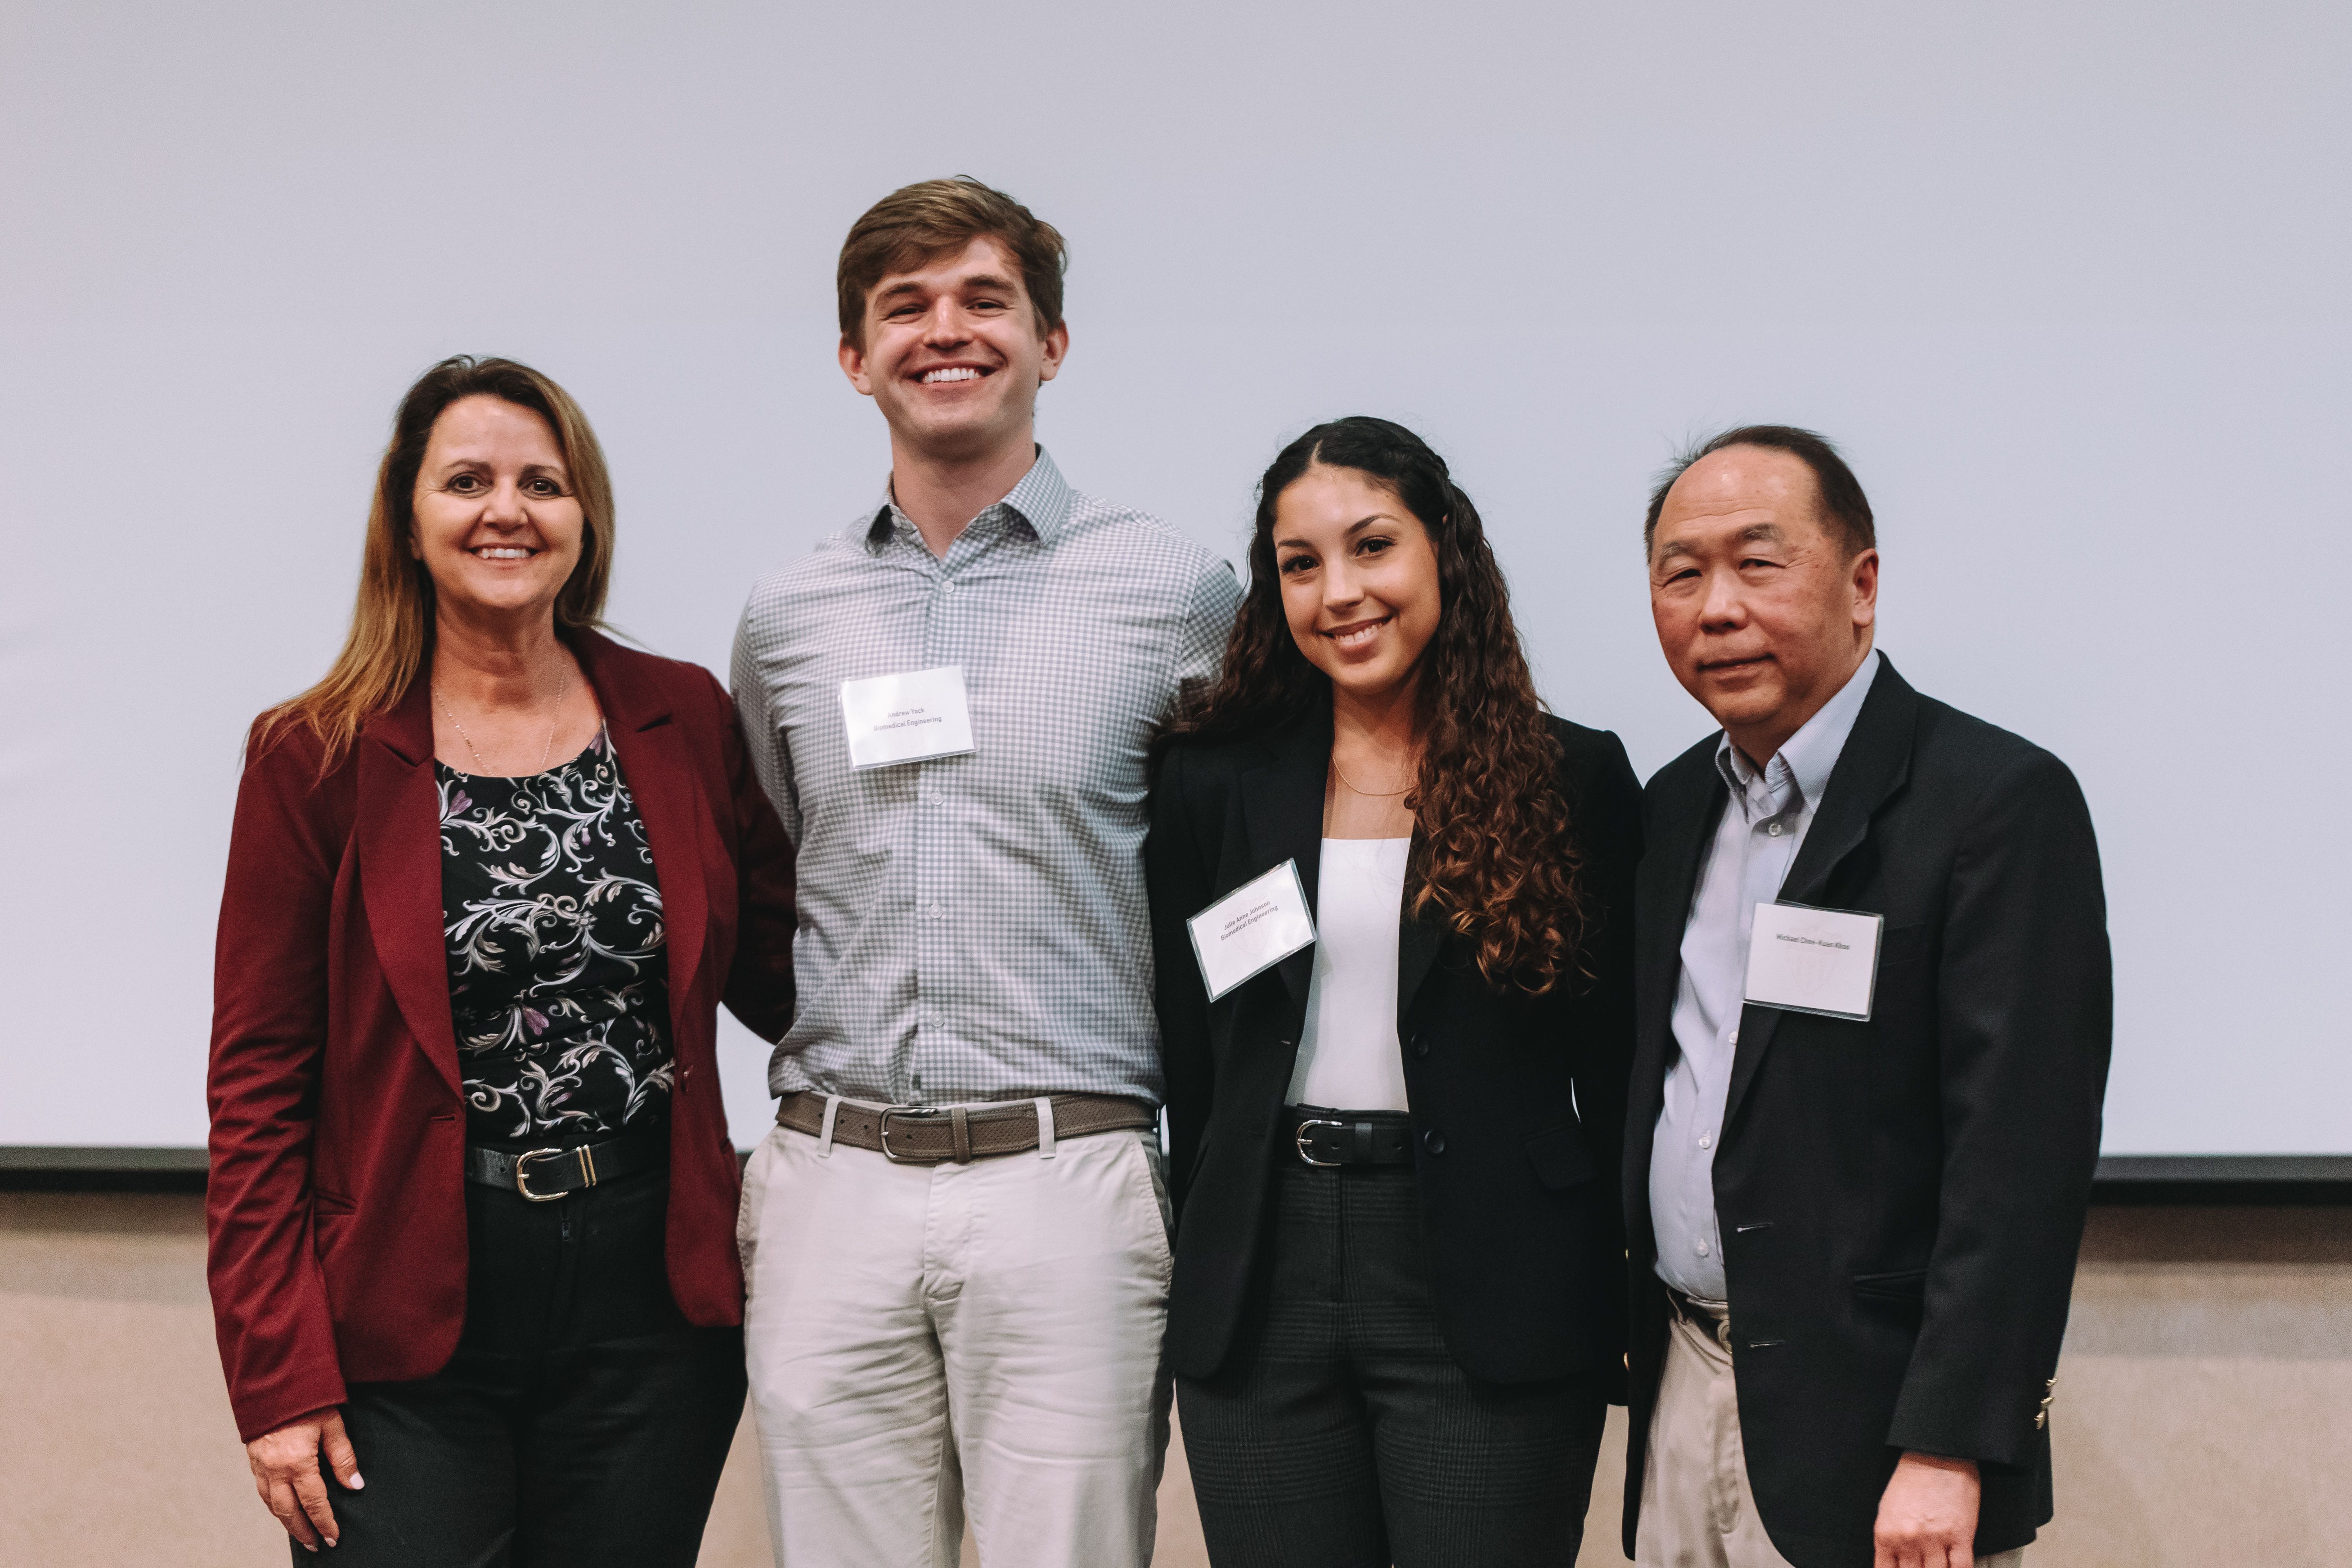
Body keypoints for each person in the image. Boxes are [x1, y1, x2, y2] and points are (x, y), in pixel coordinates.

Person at [728, 177, 1242, 1568]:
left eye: (982, 300)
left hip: (1065, 1173)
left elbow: (1239, 867)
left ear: (1050, 343)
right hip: (831, 1176)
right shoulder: (787, 617)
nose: (943, 332)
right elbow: (774, 871)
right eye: (904, 307)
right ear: (854, 358)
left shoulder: (1179, 592)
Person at [206, 355, 797, 1565]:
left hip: (652, 1308)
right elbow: (259, 1083)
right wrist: (277, 1374)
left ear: (585, 517)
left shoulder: (679, 714)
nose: (506, 509)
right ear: (407, 521)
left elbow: (793, 970)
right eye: (466, 479)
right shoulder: (314, 753)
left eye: (543, 481)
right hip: (404, 1319)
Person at [1145, 417, 1641, 1567]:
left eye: (1372, 547)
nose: (1338, 593)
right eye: (1300, 564)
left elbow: (1617, 1068)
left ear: (1443, 555)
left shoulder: (1572, 776)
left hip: (1491, 1277)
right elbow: (1191, 1052)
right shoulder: (1210, 779)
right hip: (1262, 1269)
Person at [1620, 425, 2111, 1568]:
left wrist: (1950, 1445)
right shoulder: (1668, 812)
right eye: (1680, 573)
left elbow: (2018, 1165)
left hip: (1878, 1429)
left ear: (1862, 584)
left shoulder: (1992, 804)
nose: (1716, 608)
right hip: (1685, 1387)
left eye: (1758, 562)